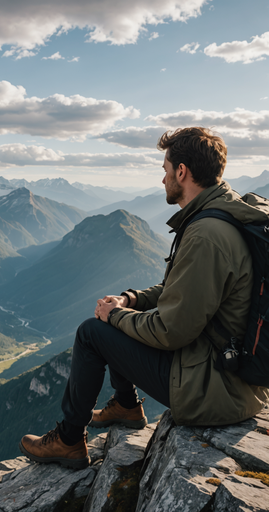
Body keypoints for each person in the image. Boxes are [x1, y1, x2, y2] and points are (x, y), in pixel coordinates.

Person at [19, 127, 269, 470]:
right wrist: (130, 300)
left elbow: (171, 331)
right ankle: (125, 405)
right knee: (119, 320)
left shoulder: (206, 235)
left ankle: (69, 440)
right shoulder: (223, 215)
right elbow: (178, 291)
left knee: (92, 333)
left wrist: (113, 317)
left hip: (213, 389)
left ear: (182, 171)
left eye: (165, 169)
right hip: (230, 375)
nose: (162, 178)